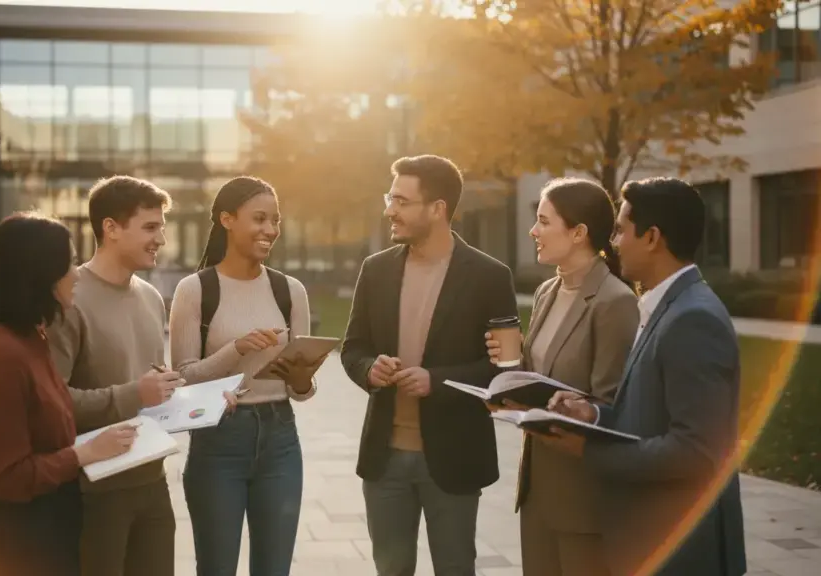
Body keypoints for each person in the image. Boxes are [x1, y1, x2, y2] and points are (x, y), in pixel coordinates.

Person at [544, 177, 746, 576]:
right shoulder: (666, 305)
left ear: (652, 237)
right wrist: (593, 415)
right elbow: (648, 412)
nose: (613, 242)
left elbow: (695, 452)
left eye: (621, 230)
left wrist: (589, 452)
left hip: (680, 548)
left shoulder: (693, 318)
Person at [340, 155, 520, 576]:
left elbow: (505, 368)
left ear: (437, 209)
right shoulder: (376, 270)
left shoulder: (490, 276)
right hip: (384, 462)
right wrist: (369, 369)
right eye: (391, 198)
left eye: (401, 201)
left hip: (454, 459)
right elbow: (353, 348)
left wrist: (435, 381)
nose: (390, 210)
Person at [0, 212, 139, 576]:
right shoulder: (3, 356)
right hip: (19, 544)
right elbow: (7, 476)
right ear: (38, 274)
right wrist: (85, 453)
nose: (76, 274)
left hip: (50, 530)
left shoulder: (31, 337)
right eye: (68, 263)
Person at [484, 178, 638, 576]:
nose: (533, 231)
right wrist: (509, 376)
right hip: (537, 491)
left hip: (583, 497)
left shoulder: (615, 302)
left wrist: (569, 409)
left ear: (578, 233)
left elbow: (611, 409)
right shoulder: (546, 292)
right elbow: (539, 381)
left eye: (543, 221)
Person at [168, 176, 320, 576]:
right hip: (218, 442)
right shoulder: (195, 290)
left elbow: (300, 391)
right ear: (227, 219)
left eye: (275, 220)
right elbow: (183, 379)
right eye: (259, 219)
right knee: (216, 567)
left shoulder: (291, 291)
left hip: (281, 441)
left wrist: (302, 378)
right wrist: (237, 348)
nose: (270, 230)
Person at [45, 176, 184, 576]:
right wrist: (134, 392)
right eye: (150, 227)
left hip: (152, 483)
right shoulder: (70, 299)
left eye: (162, 227)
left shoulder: (152, 298)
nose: (161, 238)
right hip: (95, 490)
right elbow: (53, 401)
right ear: (111, 228)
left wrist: (197, 403)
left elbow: (150, 388)